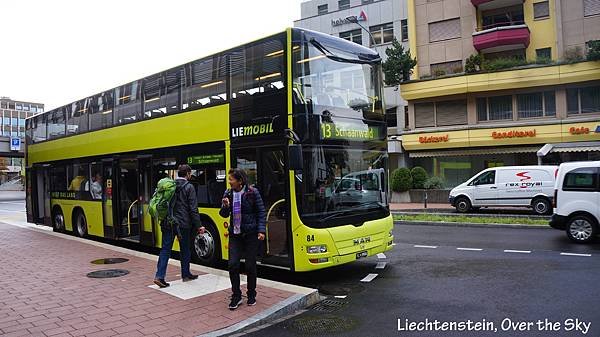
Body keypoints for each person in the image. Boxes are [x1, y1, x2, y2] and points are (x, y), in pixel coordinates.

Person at [219, 168, 266, 310]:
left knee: (250, 266)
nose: (229, 181)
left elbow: (261, 211)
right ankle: (236, 295)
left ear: (240, 181)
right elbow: (223, 214)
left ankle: (251, 294)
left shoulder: (252, 192)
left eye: (231, 179)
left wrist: (261, 230)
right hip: (235, 235)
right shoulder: (228, 193)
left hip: (250, 234)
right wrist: (225, 206)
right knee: (232, 265)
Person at [154, 164, 205, 288]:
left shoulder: (170, 185)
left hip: (168, 222)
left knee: (165, 249)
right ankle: (186, 274)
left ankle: (159, 276)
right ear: (187, 174)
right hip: (183, 224)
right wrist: (199, 225)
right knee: (185, 249)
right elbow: (193, 209)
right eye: (190, 173)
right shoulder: (189, 187)